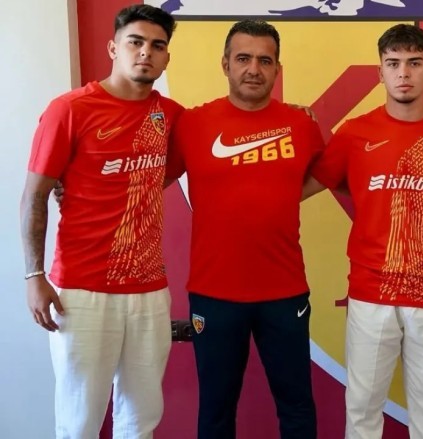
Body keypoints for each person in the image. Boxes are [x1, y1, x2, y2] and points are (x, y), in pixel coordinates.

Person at [303, 24, 423, 439]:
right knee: (363, 408)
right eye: (393, 64)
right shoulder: (355, 132)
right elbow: (306, 185)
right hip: (372, 293)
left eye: (414, 63)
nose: (403, 73)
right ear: (380, 72)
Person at [20, 5, 182, 438]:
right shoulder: (70, 109)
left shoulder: (172, 117)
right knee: (79, 423)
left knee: (140, 421)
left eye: (157, 46)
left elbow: (162, 173)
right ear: (114, 48)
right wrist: (34, 275)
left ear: (166, 57)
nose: (145, 52)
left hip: (149, 290)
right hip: (81, 291)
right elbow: (34, 195)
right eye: (135, 42)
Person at [165, 20, 322, 439]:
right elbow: (150, 178)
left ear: (277, 69)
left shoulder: (301, 124)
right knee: (216, 410)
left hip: (285, 292)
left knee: (297, 406)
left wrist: (282, 196)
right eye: (244, 58)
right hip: (214, 293)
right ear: (225, 64)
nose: (254, 69)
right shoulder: (193, 124)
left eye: (265, 61)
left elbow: (328, 174)